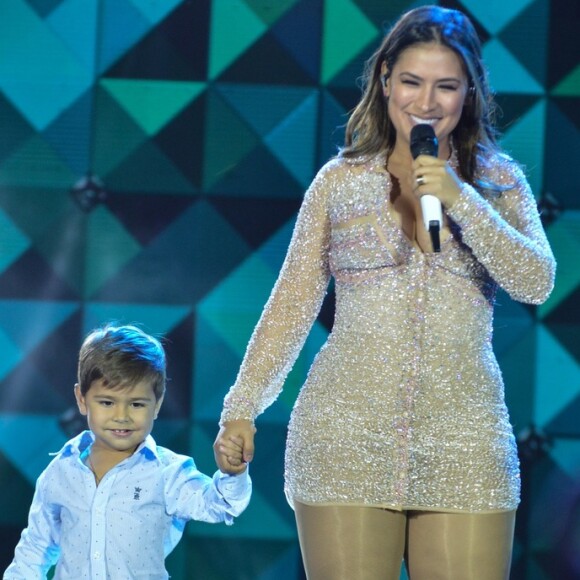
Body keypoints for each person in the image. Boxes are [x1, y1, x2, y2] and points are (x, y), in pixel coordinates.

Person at [213, 5, 555, 580]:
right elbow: (291, 304)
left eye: (446, 86)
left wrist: (458, 197)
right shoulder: (340, 182)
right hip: (344, 433)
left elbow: (536, 282)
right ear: (385, 80)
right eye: (412, 82)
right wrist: (241, 408)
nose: (427, 102)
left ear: (469, 92)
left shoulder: (498, 183)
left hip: (465, 438)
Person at [5, 324, 251, 579]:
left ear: (157, 404)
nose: (121, 416)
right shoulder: (60, 471)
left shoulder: (168, 472)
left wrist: (232, 473)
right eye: (107, 402)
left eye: (136, 404)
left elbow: (221, 505)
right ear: (81, 399)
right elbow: (34, 551)